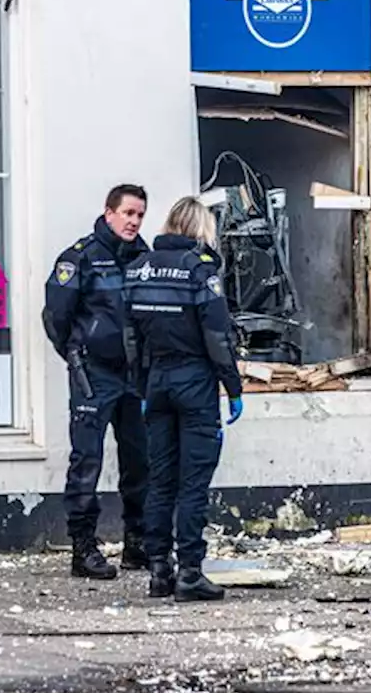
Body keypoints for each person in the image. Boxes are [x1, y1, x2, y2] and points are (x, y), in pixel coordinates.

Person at [124, 196, 244, 603]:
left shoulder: (138, 268)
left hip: (156, 383)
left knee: (160, 480)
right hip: (194, 382)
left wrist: (142, 386)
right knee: (192, 483)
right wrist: (233, 386)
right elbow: (217, 335)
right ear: (199, 229)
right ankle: (190, 572)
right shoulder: (201, 269)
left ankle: (160, 570)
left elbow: (131, 338)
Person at [43, 185, 152, 580]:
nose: (134, 221)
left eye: (140, 214)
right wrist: (78, 354)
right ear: (108, 214)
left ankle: (137, 543)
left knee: (140, 460)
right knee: (87, 459)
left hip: (134, 376)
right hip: (94, 374)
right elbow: (56, 316)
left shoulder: (145, 258)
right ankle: (83, 547)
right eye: (127, 213)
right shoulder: (81, 257)